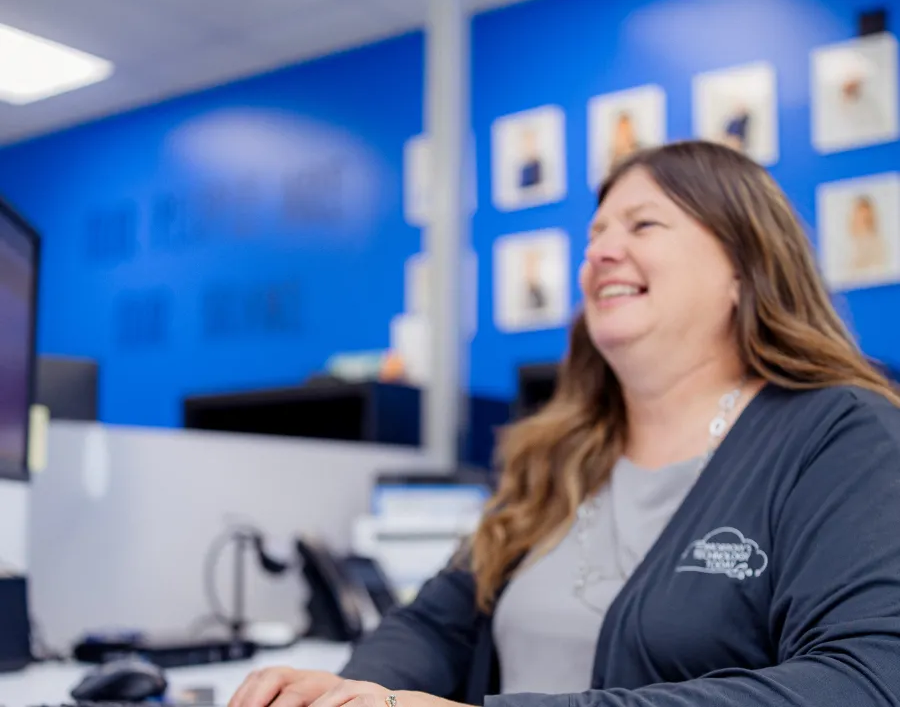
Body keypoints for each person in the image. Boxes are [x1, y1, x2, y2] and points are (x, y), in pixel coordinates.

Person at [229, 140, 900, 707]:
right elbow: (435, 627)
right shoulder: (559, 455)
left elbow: (865, 681)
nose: (600, 254)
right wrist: (355, 695)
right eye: (595, 236)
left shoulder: (842, 435)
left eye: (643, 226)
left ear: (744, 267)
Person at [847, 193, 888, 275]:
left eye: (864, 219)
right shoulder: (847, 245)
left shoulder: (878, 245)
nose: (860, 221)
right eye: (858, 217)